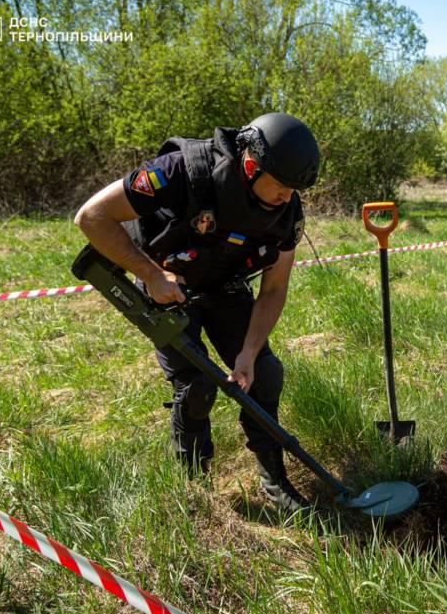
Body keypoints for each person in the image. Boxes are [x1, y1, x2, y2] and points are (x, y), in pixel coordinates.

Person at [73, 112, 319, 512]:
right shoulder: (183, 171)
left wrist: (248, 353)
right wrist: (151, 275)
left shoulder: (286, 212)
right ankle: (194, 485)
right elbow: (91, 218)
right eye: (283, 186)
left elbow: (274, 289)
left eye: (296, 189)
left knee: (265, 374)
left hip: (225, 288)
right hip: (166, 286)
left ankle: (275, 480)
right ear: (252, 165)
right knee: (196, 385)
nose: (288, 197)